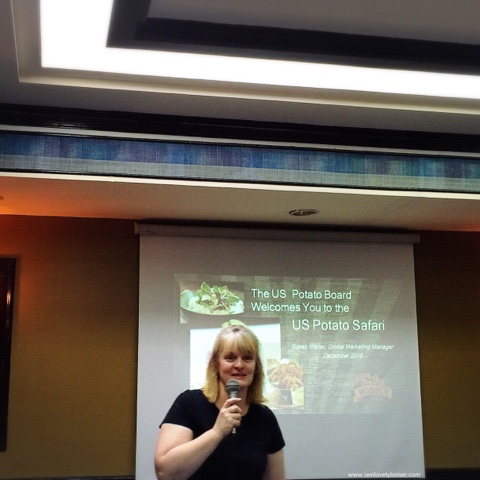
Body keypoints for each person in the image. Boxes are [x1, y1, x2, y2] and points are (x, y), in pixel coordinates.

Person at [154, 324, 286, 480]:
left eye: (247, 358)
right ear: (216, 364)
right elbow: (165, 473)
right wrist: (217, 432)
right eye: (230, 358)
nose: (239, 365)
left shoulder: (264, 417)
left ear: (256, 366)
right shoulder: (189, 403)